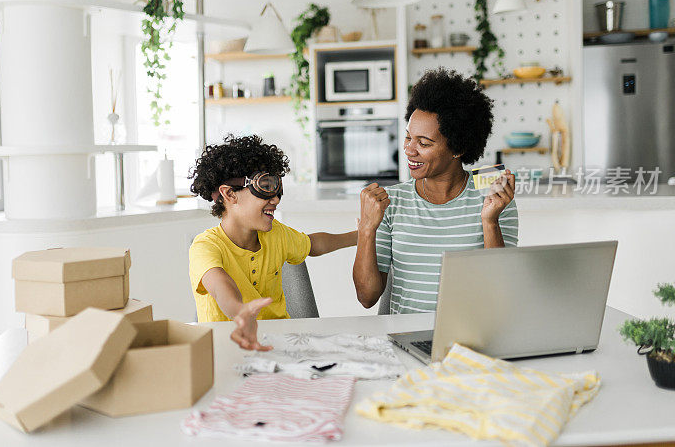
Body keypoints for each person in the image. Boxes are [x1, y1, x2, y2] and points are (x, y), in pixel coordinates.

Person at [353, 68, 518, 314]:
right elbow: (367, 297)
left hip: (472, 338)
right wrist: (366, 229)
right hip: (407, 341)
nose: (409, 150)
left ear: (458, 148)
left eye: (424, 143)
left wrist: (490, 221)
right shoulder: (392, 200)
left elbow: (499, 291)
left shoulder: (492, 194)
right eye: (408, 138)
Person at [189, 134, 357, 350]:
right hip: (228, 348)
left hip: (279, 346)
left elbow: (313, 244)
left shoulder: (275, 234)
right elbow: (220, 285)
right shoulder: (206, 246)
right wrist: (239, 311)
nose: (276, 198)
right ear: (230, 193)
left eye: (277, 187)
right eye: (265, 185)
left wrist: (360, 235)